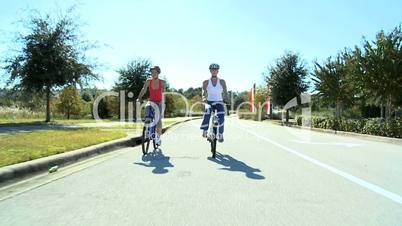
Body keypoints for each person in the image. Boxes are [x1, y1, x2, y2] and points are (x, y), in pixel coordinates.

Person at [136, 66, 166, 146]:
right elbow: (144, 89)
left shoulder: (162, 82)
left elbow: (163, 94)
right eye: (152, 72)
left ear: (158, 73)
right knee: (146, 108)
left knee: (158, 119)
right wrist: (139, 98)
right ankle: (147, 129)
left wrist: (163, 104)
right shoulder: (148, 81)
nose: (153, 74)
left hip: (159, 102)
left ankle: (158, 137)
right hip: (151, 101)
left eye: (155, 72)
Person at [200, 63, 228, 142]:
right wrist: (204, 98)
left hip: (219, 102)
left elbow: (225, 92)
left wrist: (226, 99)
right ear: (210, 71)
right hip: (209, 101)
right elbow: (203, 92)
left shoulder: (222, 81)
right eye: (212, 70)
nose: (214, 71)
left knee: (222, 116)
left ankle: (220, 134)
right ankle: (205, 130)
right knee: (207, 113)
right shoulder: (206, 82)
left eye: (215, 70)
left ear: (217, 71)